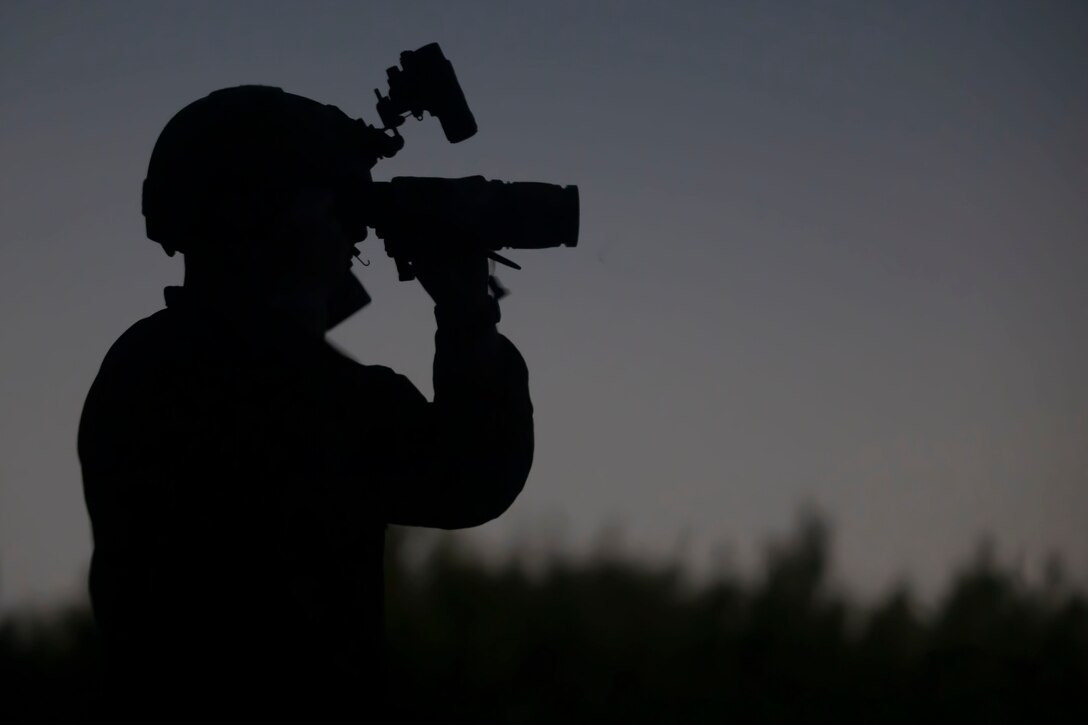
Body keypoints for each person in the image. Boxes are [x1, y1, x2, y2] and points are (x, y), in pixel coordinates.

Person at [78, 86, 534, 720]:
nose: (351, 230)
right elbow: (472, 475)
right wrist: (464, 308)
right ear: (254, 211)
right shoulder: (281, 384)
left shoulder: (146, 361)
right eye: (332, 202)